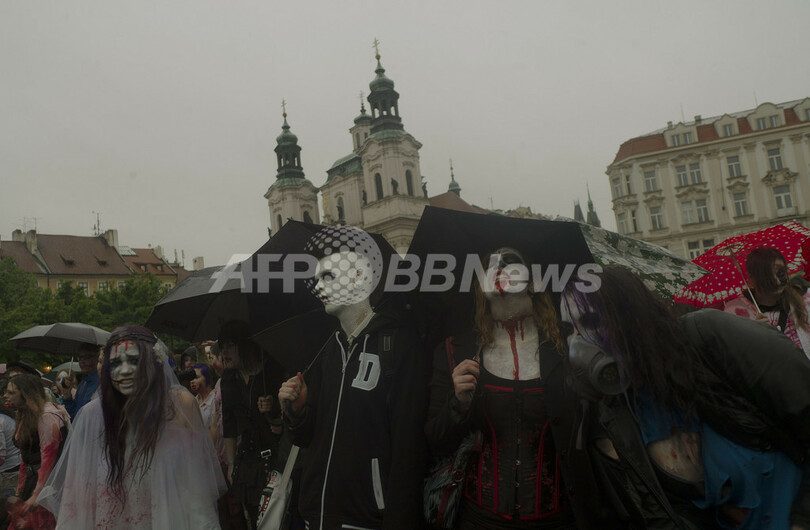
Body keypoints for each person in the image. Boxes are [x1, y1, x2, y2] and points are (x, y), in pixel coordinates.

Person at [559, 266, 810, 529]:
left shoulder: (709, 335)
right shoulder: (622, 408)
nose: (577, 343)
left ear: (629, 316)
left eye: (591, 322)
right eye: (568, 329)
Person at [279, 240, 429, 530]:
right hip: (317, 516)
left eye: (327, 276)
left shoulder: (399, 344)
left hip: (366, 519)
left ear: (359, 277)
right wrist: (296, 412)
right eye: (316, 279)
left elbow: (409, 449)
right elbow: (307, 439)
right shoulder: (328, 350)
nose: (318, 287)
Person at [424, 248, 576, 529]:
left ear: (533, 283)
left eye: (511, 263)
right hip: (478, 519)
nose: (499, 268)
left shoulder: (567, 347)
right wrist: (458, 404)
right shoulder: (454, 351)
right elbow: (435, 439)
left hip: (556, 519)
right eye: (490, 266)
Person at [36, 325, 226, 529]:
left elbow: (196, 487)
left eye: (134, 361)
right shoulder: (91, 416)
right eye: (116, 363)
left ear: (154, 362)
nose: (125, 370)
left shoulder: (179, 406)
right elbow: (78, 495)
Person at [219, 320, 286, 529]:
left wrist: (274, 407)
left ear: (245, 344)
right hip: (247, 461)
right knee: (254, 519)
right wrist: (231, 463)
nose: (224, 352)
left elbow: (288, 414)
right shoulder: (228, 378)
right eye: (222, 346)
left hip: (275, 458)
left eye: (230, 345)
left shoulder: (272, 369)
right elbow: (229, 423)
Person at [3, 374, 69, 530]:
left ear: (26, 394)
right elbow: (25, 457)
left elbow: (49, 459)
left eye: (11, 392)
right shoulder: (27, 414)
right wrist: (19, 491)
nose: (5, 395)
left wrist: (36, 495)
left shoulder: (46, 416)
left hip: (48, 487)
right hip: (33, 481)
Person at [724, 247, 810, 357]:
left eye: (781, 273)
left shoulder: (806, 299)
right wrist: (754, 337)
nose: (777, 281)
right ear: (751, 278)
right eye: (768, 276)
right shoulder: (736, 312)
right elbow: (735, 356)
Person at [60, 343, 101, 420]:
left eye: (87, 357)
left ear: (98, 358)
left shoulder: (102, 383)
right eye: (80, 357)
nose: (82, 361)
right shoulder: (82, 384)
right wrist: (67, 396)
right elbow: (74, 416)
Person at [0, 388, 22, 527]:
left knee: (5, 517)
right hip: (12, 470)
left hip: (10, 474)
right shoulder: (4, 417)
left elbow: (0, 457)